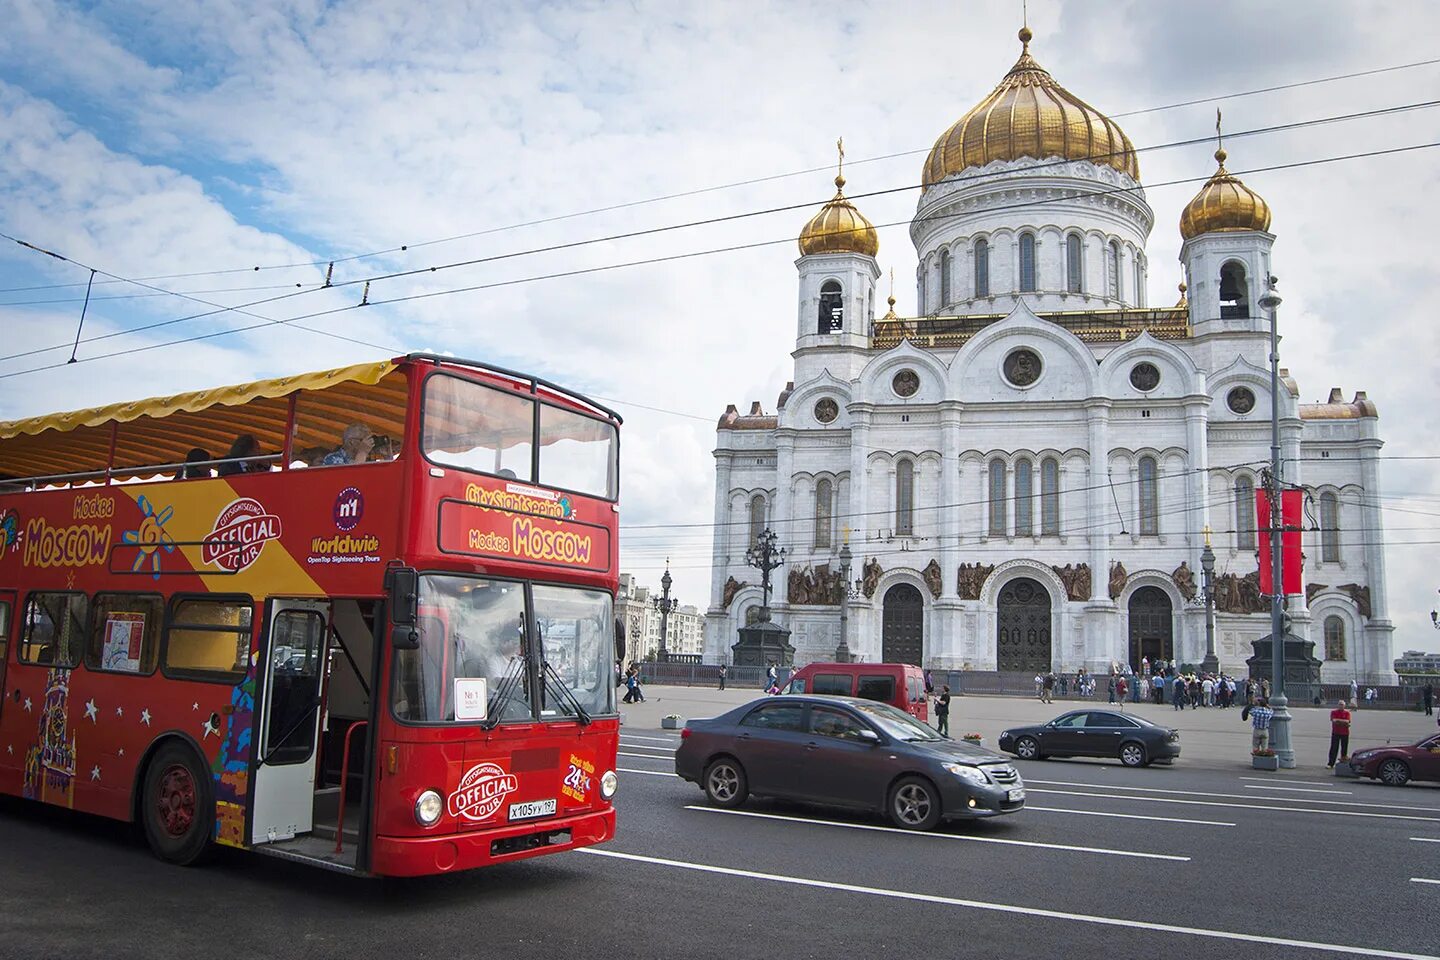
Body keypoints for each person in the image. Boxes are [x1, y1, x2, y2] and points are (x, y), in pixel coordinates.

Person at [1327, 699, 1352, 768]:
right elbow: (1333, 720)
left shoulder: (1347, 713)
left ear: (1344, 706)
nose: (1341, 706)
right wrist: (1343, 722)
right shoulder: (1333, 712)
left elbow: (1347, 721)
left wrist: (1339, 721)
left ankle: (1343, 764)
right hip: (1336, 732)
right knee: (1334, 748)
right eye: (1340, 704)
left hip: (1345, 733)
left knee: (1344, 749)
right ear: (1338, 705)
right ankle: (1330, 763)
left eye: (1342, 705)